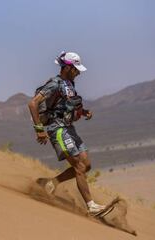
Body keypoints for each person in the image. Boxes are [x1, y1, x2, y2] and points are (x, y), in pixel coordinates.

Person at [28, 51, 106, 215]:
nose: (78, 72)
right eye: (76, 69)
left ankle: (51, 183)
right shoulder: (54, 83)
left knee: (86, 165)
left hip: (69, 127)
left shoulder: (70, 83)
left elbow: (66, 105)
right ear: (68, 67)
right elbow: (33, 104)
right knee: (79, 166)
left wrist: (83, 112)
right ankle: (91, 206)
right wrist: (39, 129)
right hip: (57, 128)